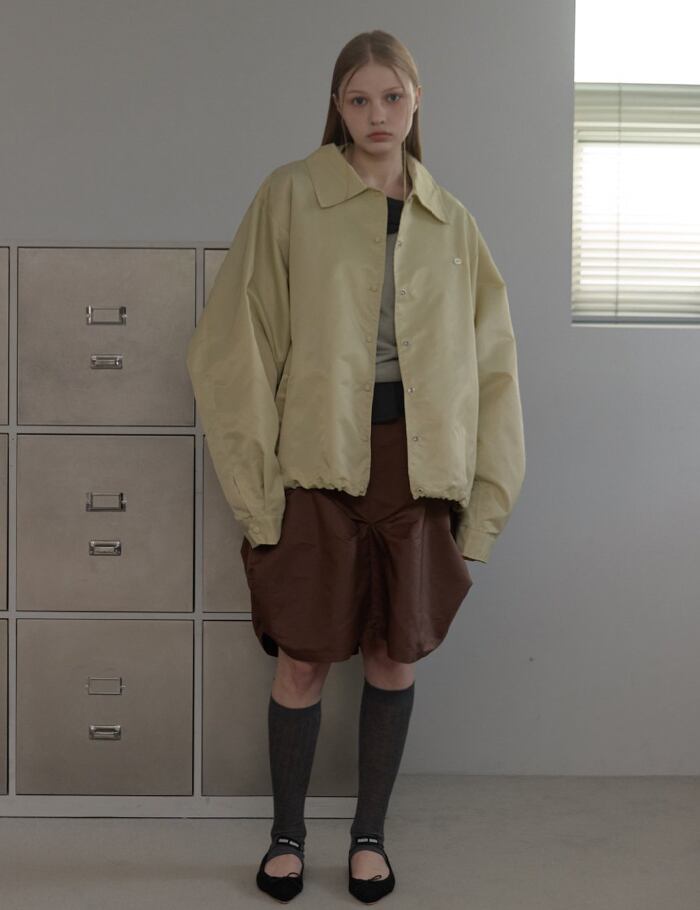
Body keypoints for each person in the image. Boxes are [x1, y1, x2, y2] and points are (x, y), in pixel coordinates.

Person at [186, 29, 525, 905]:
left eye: (393, 97)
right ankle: (287, 836)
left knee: (392, 655)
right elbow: (234, 345)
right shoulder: (291, 196)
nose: (378, 115)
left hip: (416, 469)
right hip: (314, 462)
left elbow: (493, 370)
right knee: (302, 659)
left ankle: (369, 837)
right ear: (337, 106)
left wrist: (484, 502)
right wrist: (257, 493)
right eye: (359, 98)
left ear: (417, 103)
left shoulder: (452, 223)